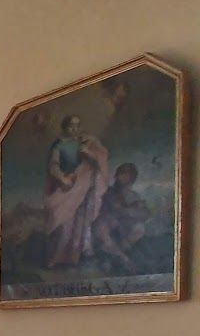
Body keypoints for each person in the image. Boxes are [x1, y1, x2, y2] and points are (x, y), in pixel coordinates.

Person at [42, 114, 109, 268]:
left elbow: (99, 160)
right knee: (63, 223)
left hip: (84, 188)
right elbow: (53, 166)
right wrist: (62, 178)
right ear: (65, 127)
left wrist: (89, 154)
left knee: (81, 222)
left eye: (77, 125)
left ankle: (72, 258)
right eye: (71, 125)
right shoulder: (59, 145)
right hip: (67, 188)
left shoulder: (85, 142)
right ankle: (54, 258)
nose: (75, 129)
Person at [93, 162, 150, 273]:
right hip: (106, 223)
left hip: (124, 226)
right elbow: (115, 209)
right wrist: (131, 210)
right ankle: (123, 258)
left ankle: (113, 257)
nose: (122, 177)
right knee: (102, 230)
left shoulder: (133, 195)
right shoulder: (109, 192)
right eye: (121, 174)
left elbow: (145, 213)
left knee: (139, 228)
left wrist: (132, 211)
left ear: (132, 178)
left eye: (126, 174)